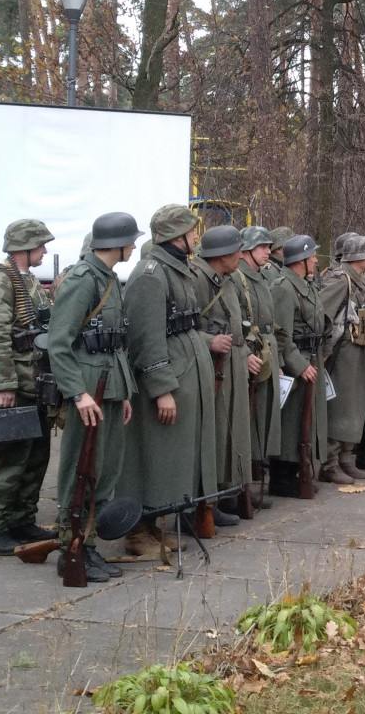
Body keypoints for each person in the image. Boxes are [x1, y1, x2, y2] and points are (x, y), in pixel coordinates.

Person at [47, 212, 143, 582]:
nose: (133, 245)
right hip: (88, 389)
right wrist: (77, 393)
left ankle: (88, 547)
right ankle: (73, 547)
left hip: (110, 387)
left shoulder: (109, 279)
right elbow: (60, 343)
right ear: (115, 243)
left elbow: (115, 344)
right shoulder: (83, 280)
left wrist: (125, 392)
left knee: (105, 471)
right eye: (130, 240)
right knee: (80, 470)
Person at [120, 205, 218, 555]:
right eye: (191, 230)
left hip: (185, 369)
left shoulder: (178, 269)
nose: (196, 236)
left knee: (172, 457)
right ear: (176, 235)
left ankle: (156, 524)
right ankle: (138, 530)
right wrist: (162, 389)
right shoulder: (151, 273)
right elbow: (146, 336)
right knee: (154, 456)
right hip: (168, 377)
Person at [0, 219, 58, 555]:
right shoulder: (1, 280)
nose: (44, 251)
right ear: (25, 247)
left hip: (36, 381)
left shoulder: (29, 280)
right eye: (40, 245)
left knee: (35, 456)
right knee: (6, 459)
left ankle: (21, 520)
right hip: (16, 383)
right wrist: (2, 384)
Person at [191, 225, 252, 523]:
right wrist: (208, 342)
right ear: (222, 255)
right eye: (237, 250)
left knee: (229, 432)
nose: (241, 255)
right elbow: (184, 328)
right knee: (212, 433)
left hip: (230, 362)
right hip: (211, 366)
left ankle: (220, 495)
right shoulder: (198, 279)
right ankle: (205, 503)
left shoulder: (224, 279)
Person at [316, 234, 365, 484]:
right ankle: (330, 463)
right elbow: (323, 316)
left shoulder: (359, 280)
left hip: (359, 349)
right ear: (357, 258)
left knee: (353, 408)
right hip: (343, 352)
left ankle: (345, 458)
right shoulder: (341, 280)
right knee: (340, 408)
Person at [272, 234, 330, 492]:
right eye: (312, 257)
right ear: (301, 260)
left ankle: (298, 471)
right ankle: (283, 478)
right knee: (291, 422)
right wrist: (297, 364)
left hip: (311, 356)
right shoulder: (284, 287)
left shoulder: (305, 285)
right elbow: (281, 333)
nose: (316, 261)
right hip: (296, 362)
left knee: (306, 420)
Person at [235, 226, 284, 503]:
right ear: (246, 250)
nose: (268, 251)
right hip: (250, 354)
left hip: (265, 351)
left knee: (264, 417)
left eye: (268, 246)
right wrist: (244, 354)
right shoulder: (237, 278)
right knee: (250, 420)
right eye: (262, 246)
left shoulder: (261, 277)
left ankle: (256, 478)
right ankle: (246, 484)